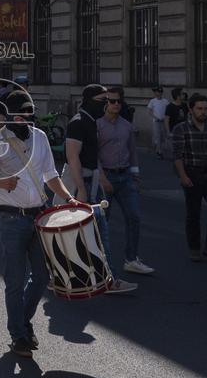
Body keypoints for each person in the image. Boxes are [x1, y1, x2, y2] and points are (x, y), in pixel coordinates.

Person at [0, 90, 80, 357]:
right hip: (10, 218)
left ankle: (23, 322)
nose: (25, 120)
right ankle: (18, 335)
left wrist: (68, 198)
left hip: (39, 215)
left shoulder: (41, 137)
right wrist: (0, 183)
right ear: (7, 116)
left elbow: (51, 174)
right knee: (15, 280)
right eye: (20, 115)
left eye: (29, 115)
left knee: (42, 276)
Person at [66, 84, 137, 293]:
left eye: (109, 101)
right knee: (92, 233)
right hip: (84, 183)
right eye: (102, 100)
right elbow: (72, 157)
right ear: (89, 100)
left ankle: (100, 278)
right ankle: (105, 280)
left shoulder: (90, 122)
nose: (107, 104)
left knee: (95, 233)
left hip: (93, 182)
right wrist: (81, 189)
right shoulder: (78, 122)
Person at [97, 88, 154, 275]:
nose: (116, 105)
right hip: (106, 176)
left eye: (118, 102)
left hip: (126, 176)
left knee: (134, 217)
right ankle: (100, 262)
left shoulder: (126, 125)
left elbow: (133, 152)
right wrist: (102, 178)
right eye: (112, 101)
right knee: (102, 222)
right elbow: (93, 154)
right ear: (105, 103)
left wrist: (136, 176)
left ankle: (131, 259)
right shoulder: (98, 125)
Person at [173, 93, 207, 263]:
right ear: (191, 109)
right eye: (199, 108)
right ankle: (194, 248)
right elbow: (177, 155)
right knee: (193, 213)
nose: (203, 112)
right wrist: (182, 175)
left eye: (206, 108)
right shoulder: (181, 129)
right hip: (192, 173)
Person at [146, 86, 169, 159]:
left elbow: (168, 111)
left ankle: (159, 148)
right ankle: (159, 151)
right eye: (155, 92)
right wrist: (155, 117)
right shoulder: (153, 101)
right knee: (157, 136)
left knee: (163, 136)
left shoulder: (165, 101)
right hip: (156, 121)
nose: (156, 93)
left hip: (163, 121)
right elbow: (149, 111)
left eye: (158, 92)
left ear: (161, 92)